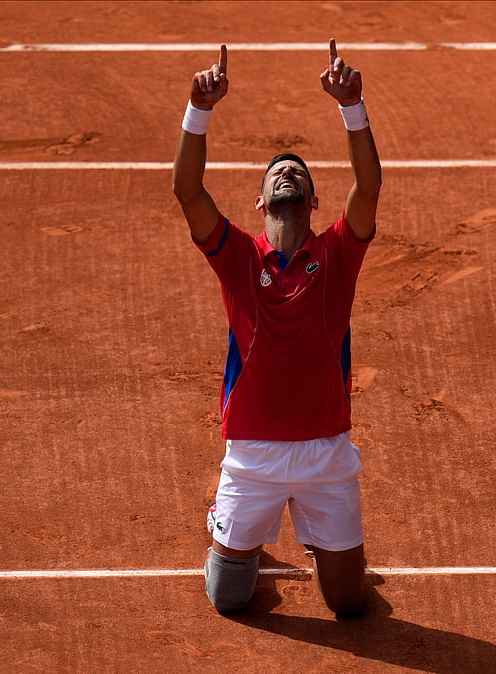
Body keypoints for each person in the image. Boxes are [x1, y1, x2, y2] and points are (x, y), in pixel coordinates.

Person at [172, 39, 381, 619]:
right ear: (259, 200)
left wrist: (352, 107)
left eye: (297, 172)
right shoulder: (237, 255)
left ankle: (323, 549)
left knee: (348, 604)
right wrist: (199, 110)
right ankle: (237, 535)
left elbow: (368, 190)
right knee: (228, 599)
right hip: (253, 455)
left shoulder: (338, 254)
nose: (286, 171)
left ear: (313, 199)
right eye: (276, 171)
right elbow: (187, 191)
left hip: (325, 454)